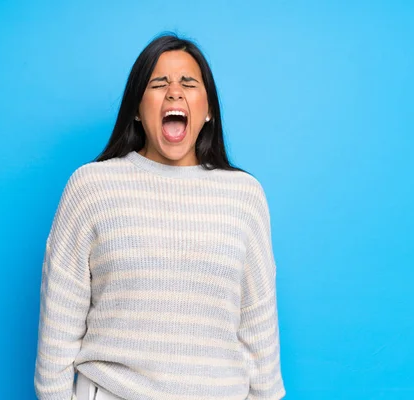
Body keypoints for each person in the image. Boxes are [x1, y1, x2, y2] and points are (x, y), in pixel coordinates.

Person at [34, 33, 286, 400]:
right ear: (137, 108)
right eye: (158, 83)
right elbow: (58, 328)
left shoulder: (244, 196)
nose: (174, 92)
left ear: (209, 109)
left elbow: (259, 328)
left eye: (188, 83)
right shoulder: (91, 187)